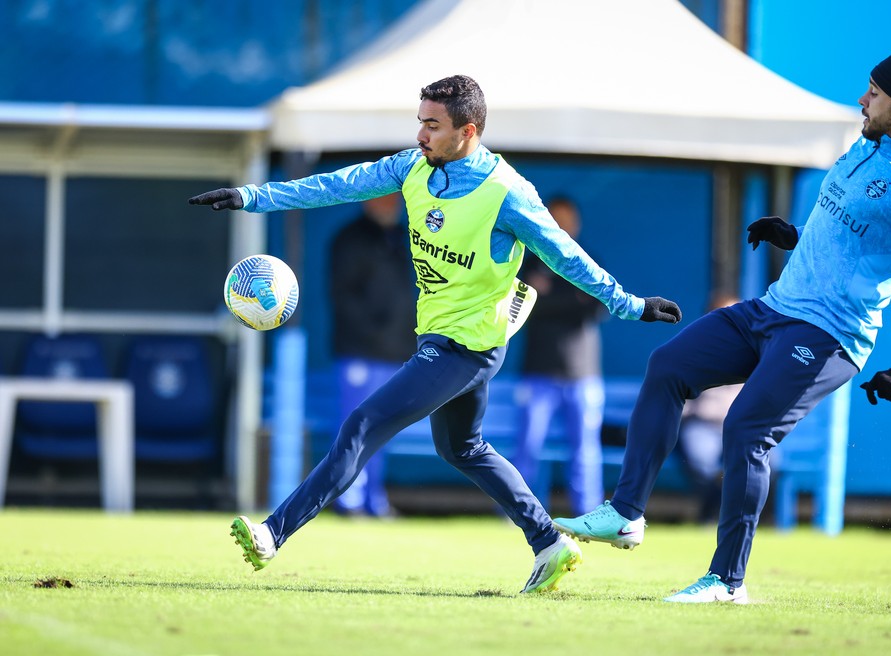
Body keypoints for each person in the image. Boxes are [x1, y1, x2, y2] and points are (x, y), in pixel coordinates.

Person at [189, 74, 682, 594]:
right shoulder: (412, 168)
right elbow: (335, 185)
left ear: (466, 131)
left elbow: (565, 255)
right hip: (445, 341)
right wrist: (250, 196)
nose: (421, 134)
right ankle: (548, 541)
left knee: (360, 425)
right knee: (463, 448)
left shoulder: (508, 193)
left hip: (464, 347)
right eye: (420, 121)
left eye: (432, 125)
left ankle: (273, 532)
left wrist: (629, 304)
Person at [553, 46, 891, 603]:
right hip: (774, 309)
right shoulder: (864, 146)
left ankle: (726, 581)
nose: (863, 99)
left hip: (828, 335)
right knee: (667, 365)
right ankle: (625, 513)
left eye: (876, 93)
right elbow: (850, 230)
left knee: (745, 430)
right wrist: (791, 234)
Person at [512, 196, 607, 516]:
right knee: (528, 447)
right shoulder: (529, 260)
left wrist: (553, 293)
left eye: (568, 218)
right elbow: (526, 308)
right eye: (557, 218)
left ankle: (589, 515)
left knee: (585, 452)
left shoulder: (589, 260)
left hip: (582, 374)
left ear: (576, 223)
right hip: (538, 372)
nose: (563, 225)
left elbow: (597, 306)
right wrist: (572, 296)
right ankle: (521, 512)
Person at [328, 193, 417, 517]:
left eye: (395, 201)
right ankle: (348, 499)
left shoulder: (402, 235)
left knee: (382, 430)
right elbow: (343, 297)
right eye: (384, 200)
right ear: (368, 201)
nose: (390, 206)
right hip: (359, 352)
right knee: (354, 427)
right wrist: (376, 333)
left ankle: (372, 499)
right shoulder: (350, 238)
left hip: (396, 355)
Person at [676, 292, 742, 525]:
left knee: (767, 462)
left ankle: (725, 517)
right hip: (702, 425)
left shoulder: (757, 351)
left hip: (741, 426)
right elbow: (678, 396)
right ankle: (714, 513)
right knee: (703, 462)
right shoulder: (692, 349)